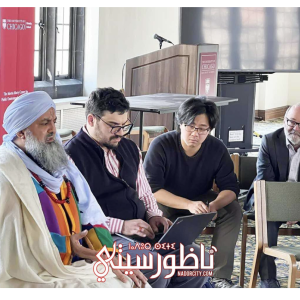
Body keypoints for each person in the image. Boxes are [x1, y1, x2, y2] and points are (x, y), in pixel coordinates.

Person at [65, 87, 212, 288]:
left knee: (198, 260)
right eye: (113, 126)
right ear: (91, 120)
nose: (121, 132)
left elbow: (144, 192)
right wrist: (123, 226)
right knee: (155, 266)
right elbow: (78, 217)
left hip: (144, 230)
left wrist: (153, 215)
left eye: (124, 125)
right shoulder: (71, 158)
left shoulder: (130, 148)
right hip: (107, 236)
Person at [0, 91, 147, 288]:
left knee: (132, 281)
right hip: (34, 270)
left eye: (54, 120)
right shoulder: (7, 173)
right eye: (45, 123)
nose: (53, 129)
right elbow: (11, 244)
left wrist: (109, 255)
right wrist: (69, 246)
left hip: (75, 258)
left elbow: (90, 215)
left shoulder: (61, 163)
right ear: (21, 132)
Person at [143, 97, 242, 288]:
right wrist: (188, 205)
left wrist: (213, 207)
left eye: (202, 128)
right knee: (155, 214)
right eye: (190, 126)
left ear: (209, 129)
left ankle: (219, 276)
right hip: (167, 200)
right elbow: (152, 190)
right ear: (180, 123)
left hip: (202, 198)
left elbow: (230, 188)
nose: (195, 133)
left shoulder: (217, 147)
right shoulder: (161, 145)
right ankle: (165, 271)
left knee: (232, 210)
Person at [245, 104, 300, 288]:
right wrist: (286, 209)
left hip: (298, 202)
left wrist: (295, 209)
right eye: (292, 122)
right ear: (284, 120)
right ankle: (268, 280)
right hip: (269, 197)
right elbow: (265, 183)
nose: (295, 128)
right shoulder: (269, 140)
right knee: (266, 217)